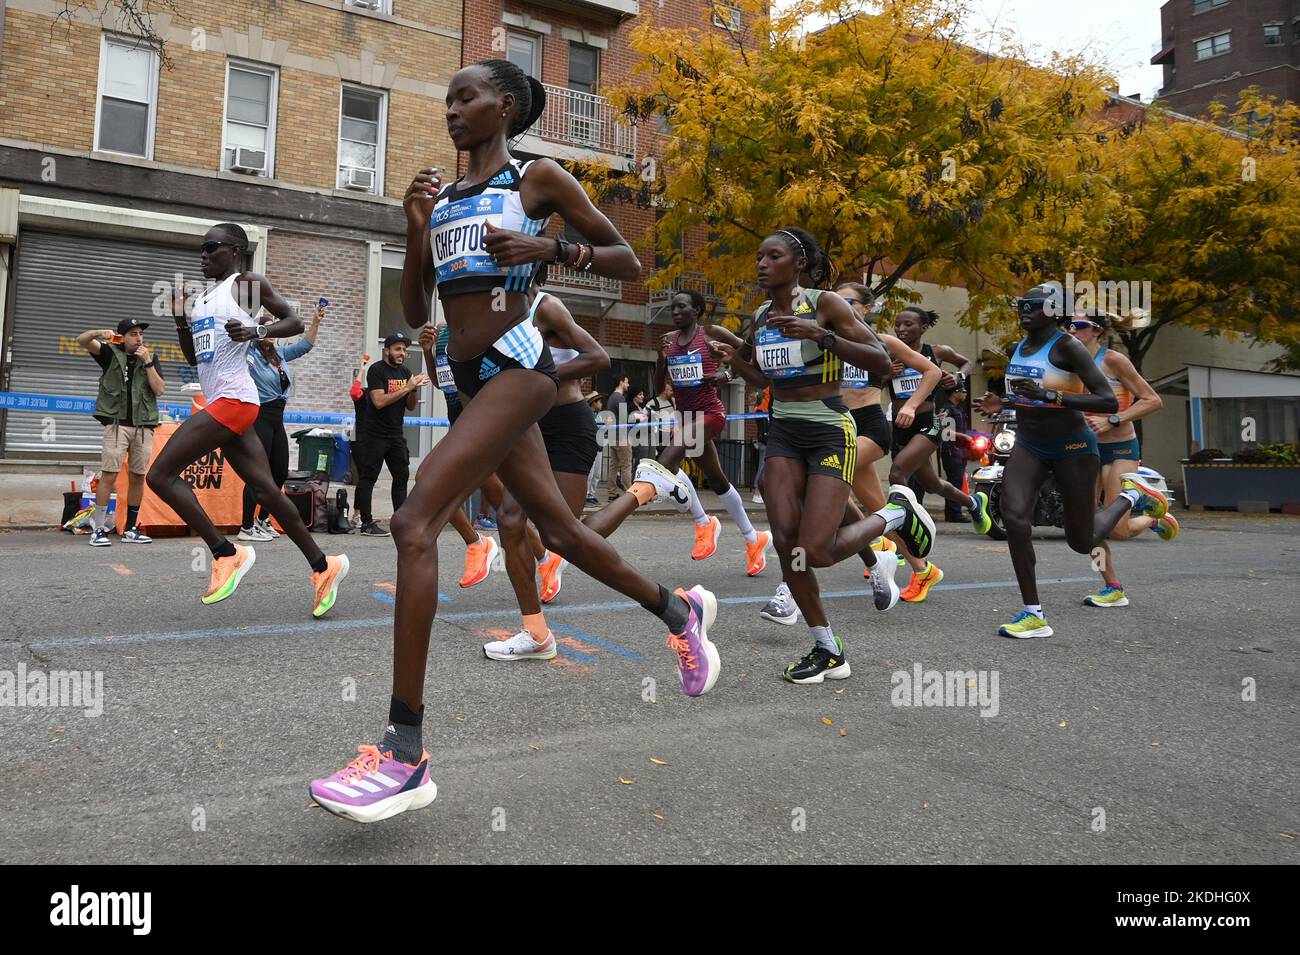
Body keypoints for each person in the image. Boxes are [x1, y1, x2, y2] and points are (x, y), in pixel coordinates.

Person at [309, 59, 720, 823]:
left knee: (412, 521)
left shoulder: (540, 180)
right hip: (468, 377)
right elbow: (414, 303)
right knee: (557, 530)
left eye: (465, 97)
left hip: (521, 373)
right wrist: (413, 228)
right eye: (447, 98)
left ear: (505, 105)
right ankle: (677, 611)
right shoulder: (446, 198)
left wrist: (549, 253)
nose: (451, 110)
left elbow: (628, 263)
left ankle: (403, 750)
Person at [709, 227, 934, 684]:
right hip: (784, 433)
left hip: (829, 430)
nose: (761, 264)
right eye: (759, 256)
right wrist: (731, 358)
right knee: (789, 548)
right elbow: (760, 378)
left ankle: (895, 514)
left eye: (772, 256)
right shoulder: (760, 314)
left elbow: (877, 360)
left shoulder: (825, 304)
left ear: (798, 264)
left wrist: (822, 336)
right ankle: (828, 648)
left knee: (816, 550)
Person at [152, 223, 348, 615]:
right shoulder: (205, 300)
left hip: (236, 400)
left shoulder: (245, 284)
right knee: (266, 491)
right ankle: (325, 566)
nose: (203, 254)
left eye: (211, 247)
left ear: (236, 250)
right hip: (224, 401)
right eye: (201, 248)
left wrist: (256, 329)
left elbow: (291, 321)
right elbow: (195, 360)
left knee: (159, 476)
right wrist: (178, 320)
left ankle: (226, 553)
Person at [975, 283, 1168, 638]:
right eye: (1022, 304)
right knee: (1015, 517)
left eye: (1034, 304)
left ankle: (1132, 497)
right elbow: (1026, 395)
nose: (1025, 309)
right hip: (1030, 443)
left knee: (1081, 541)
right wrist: (1002, 404)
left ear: (1054, 310)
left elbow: (1107, 401)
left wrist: (1051, 395)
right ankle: (1033, 613)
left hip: (1072, 447)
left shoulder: (1068, 347)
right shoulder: (1017, 347)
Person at [581, 290, 772, 576]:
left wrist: (727, 374)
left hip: (711, 414)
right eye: (673, 307)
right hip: (685, 417)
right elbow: (660, 386)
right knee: (717, 481)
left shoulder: (711, 333)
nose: (676, 311)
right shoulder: (669, 341)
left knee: (667, 460)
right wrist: (660, 359)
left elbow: (748, 355)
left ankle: (697, 518)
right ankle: (752, 538)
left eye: (682, 307)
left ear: (697, 310)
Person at [487, 286, 608, 651]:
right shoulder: (499, 313)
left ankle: (643, 490)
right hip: (530, 426)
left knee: (563, 536)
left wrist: (544, 373)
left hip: (569, 425)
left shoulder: (548, 307)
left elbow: (597, 357)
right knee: (509, 520)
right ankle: (536, 633)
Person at [418, 321, 541, 588]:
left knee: (427, 477)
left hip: (478, 426)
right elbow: (442, 383)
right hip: (460, 425)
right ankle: (544, 557)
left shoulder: (478, 330)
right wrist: (428, 351)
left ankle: (477, 543)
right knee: (500, 501)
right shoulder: (441, 333)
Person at [1067, 312, 1177, 607]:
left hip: (1120, 449)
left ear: (1097, 331)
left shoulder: (1112, 360)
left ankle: (1153, 517)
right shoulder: (1067, 363)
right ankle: (1112, 587)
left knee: (1117, 530)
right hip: (1084, 449)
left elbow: (1153, 399)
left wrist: (1113, 419)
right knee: (1087, 528)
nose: (1071, 330)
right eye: (1069, 325)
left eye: (1078, 326)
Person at [886, 306, 992, 602]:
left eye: (908, 324)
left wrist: (957, 376)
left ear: (923, 328)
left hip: (931, 421)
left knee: (898, 473)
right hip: (900, 425)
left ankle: (908, 539)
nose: (901, 329)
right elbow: (874, 385)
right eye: (898, 324)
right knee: (931, 483)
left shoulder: (937, 351)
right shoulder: (890, 354)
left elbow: (966, 363)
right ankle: (972, 502)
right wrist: (885, 373)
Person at [238, 299, 323, 542]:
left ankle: (263, 519)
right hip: (260, 417)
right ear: (257, 333)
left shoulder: (280, 354)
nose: (273, 333)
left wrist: (315, 321)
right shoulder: (250, 354)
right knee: (258, 474)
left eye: (274, 329)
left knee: (279, 472)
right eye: (267, 329)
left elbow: (305, 345)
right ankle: (246, 526)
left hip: (277, 418)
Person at [77, 318, 166, 546]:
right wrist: (99, 331)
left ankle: (131, 529)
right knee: (109, 475)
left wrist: (147, 363)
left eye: (141, 334)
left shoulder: (150, 357)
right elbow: (82, 340)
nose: (139, 338)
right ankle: (99, 530)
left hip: (143, 426)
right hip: (117, 425)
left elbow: (159, 390)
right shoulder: (109, 353)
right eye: (134, 334)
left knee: (138, 476)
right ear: (122, 337)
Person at [353, 333, 430, 536]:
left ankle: (400, 520)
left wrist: (414, 390)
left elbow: (411, 407)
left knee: (402, 476)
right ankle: (366, 523)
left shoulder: (405, 372)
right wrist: (407, 387)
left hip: (395, 434)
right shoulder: (376, 370)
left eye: (404, 350)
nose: (402, 353)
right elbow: (378, 402)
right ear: (386, 350)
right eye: (397, 349)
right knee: (369, 477)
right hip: (375, 434)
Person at [604, 374, 632, 501]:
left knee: (614, 465)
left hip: (612, 435)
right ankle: (631, 493)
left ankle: (612, 492)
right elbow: (624, 418)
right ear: (621, 382)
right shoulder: (619, 398)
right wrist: (637, 417)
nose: (628, 385)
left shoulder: (611, 398)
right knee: (626, 465)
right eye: (627, 382)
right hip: (621, 436)